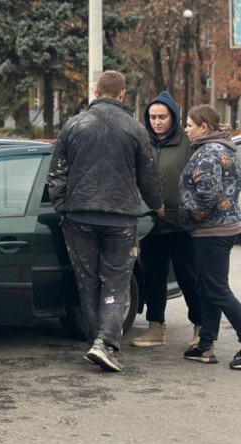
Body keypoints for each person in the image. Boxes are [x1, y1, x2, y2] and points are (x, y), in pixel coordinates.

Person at [48, 70, 164, 372]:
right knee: (115, 281)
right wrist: (158, 206)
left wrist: (64, 207)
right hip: (120, 217)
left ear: (96, 93)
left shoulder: (73, 125)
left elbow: (56, 173)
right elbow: (148, 177)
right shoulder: (136, 129)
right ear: (123, 94)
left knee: (87, 283)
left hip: (79, 216)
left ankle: (96, 342)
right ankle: (106, 344)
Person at [132, 91, 202, 347]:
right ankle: (155, 328)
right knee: (152, 276)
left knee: (189, 277)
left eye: (162, 117)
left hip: (182, 224)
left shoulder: (188, 143)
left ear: (174, 117)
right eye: (152, 117)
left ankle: (200, 327)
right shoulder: (142, 142)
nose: (156, 122)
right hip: (152, 222)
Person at [178, 104, 241, 369]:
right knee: (207, 287)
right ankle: (205, 344)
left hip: (211, 230)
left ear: (204, 127)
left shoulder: (208, 153)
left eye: (190, 125)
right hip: (219, 227)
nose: (187, 130)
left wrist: (185, 217)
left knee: (216, 288)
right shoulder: (223, 149)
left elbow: (206, 196)